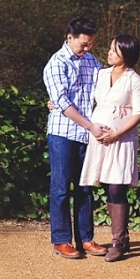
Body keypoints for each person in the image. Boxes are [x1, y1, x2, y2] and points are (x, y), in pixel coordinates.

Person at [42, 17, 108, 260]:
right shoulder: (56, 64)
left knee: (85, 187)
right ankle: (61, 240)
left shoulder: (92, 61)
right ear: (70, 38)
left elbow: (106, 86)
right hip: (63, 132)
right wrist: (91, 126)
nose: (87, 49)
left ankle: (86, 238)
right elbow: (63, 103)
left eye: (90, 44)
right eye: (83, 44)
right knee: (60, 187)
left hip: (85, 133)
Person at [79, 34, 140, 262]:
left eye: (114, 51)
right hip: (99, 138)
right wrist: (53, 104)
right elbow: (82, 95)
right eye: (110, 49)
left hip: (122, 139)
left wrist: (116, 133)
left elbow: (139, 112)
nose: (109, 53)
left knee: (117, 186)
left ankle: (119, 240)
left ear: (126, 55)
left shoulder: (134, 80)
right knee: (107, 184)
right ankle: (120, 238)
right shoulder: (101, 74)